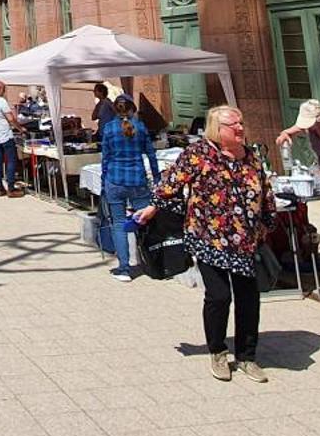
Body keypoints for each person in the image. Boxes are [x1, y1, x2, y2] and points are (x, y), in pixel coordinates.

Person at [136, 104, 273, 384]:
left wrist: (266, 223)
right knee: (219, 296)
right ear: (217, 130)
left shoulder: (252, 157)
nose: (240, 128)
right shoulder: (198, 154)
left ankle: (247, 356)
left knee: (249, 298)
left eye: (241, 123)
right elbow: (170, 183)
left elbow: (265, 190)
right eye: (234, 125)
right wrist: (153, 208)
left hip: (246, 241)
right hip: (208, 238)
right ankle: (218, 350)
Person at [100, 96, 160, 281]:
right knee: (144, 222)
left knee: (118, 224)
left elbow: (105, 158)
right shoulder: (140, 127)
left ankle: (124, 268)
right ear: (132, 109)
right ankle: (154, 263)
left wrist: (104, 180)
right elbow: (151, 154)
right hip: (137, 180)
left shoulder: (109, 128)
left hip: (115, 180)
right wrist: (157, 177)